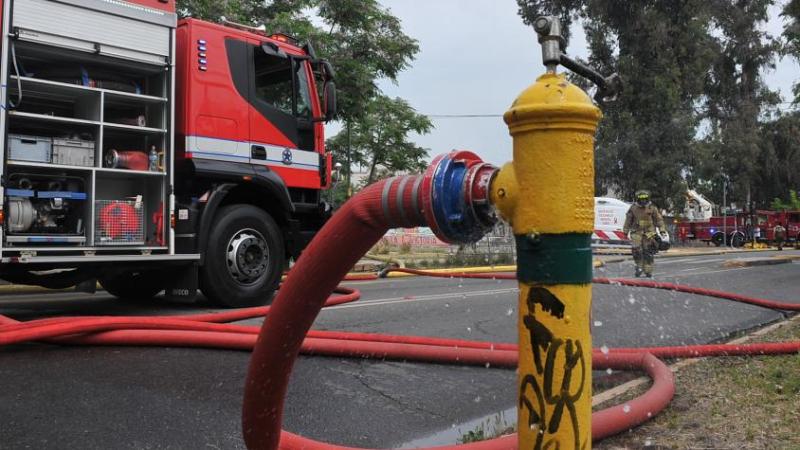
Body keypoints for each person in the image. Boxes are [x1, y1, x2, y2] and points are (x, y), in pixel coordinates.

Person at [623, 190, 668, 278]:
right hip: (637, 232)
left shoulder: (652, 208)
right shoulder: (633, 208)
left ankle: (648, 269)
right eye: (641, 199)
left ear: (647, 199)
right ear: (638, 199)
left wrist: (662, 230)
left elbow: (659, 220)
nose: (643, 201)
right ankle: (639, 266)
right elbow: (628, 220)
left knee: (648, 252)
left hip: (649, 232)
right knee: (636, 250)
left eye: (645, 199)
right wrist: (625, 231)